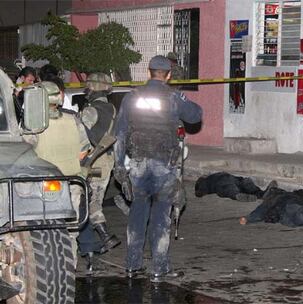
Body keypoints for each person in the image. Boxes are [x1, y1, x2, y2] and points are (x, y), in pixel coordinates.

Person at [113, 55, 202, 282]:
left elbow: (120, 134)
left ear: (149, 72)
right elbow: (196, 115)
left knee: (137, 214)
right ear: (169, 75)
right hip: (164, 166)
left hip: (139, 165)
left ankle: (133, 265)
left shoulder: (132, 97)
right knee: (161, 217)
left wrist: (119, 167)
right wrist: (180, 98)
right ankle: (159, 268)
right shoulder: (172, 97)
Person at [23, 77, 91, 265]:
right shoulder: (73, 120)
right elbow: (84, 150)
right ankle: (70, 269)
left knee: (45, 232)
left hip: (44, 186)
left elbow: (24, 155)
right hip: (73, 183)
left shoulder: (33, 126)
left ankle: (50, 270)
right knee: (70, 232)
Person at [80, 72, 121, 252]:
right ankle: (93, 240)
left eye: (88, 86)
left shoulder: (90, 111)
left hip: (92, 160)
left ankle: (105, 236)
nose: (86, 90)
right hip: (107, 160)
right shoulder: (112, 109)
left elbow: (81, 138)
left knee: (91, 201)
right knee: (92, 198)